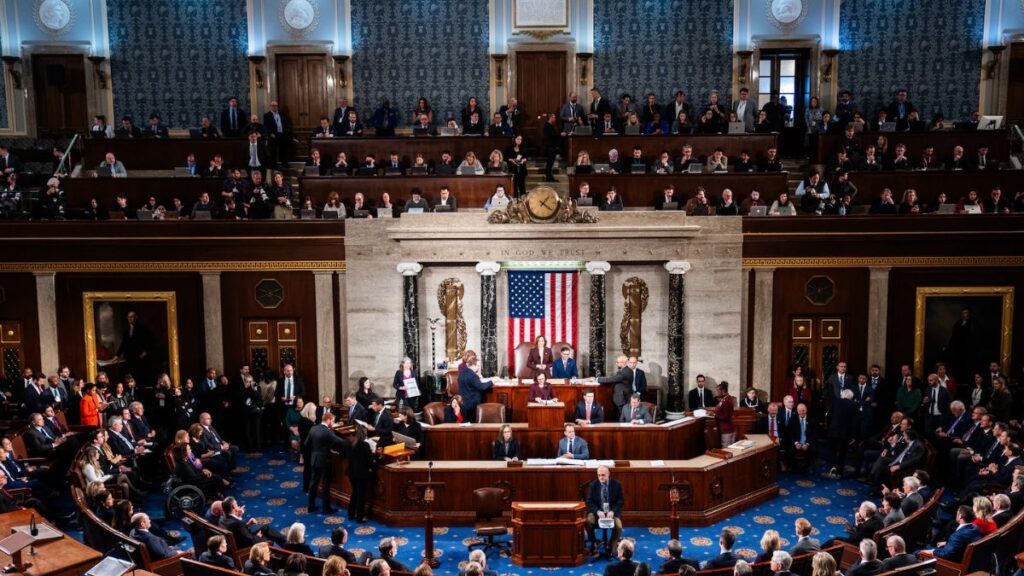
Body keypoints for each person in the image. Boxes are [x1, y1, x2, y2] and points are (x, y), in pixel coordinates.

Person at [304, 411, 347, 513]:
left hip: (314, 459)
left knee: (313, 483)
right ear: (328, 420)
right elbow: (340, 441)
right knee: (325, 485)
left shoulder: (313, 428)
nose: (333, 423)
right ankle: (326, 508)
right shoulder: (327, 431)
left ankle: (311, 506)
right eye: (333, 421)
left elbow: (306, 444)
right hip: (324, 461)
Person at [347, 425, 376, 522]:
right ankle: (359, 517)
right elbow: (370, 461)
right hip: (361, 474)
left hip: (351, 472)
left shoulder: (350, 443)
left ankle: (351, 514)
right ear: (364, 434)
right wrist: (373, 453)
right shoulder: (365, 445)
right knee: (361, 495)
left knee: (355, 493)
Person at [457, 351, 493, 421]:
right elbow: (482, 387)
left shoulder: (462, 373)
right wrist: (492, 381)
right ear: (474, 365)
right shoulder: (472, 375)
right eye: (478, 366)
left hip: (464, 403)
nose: (479, 368)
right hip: (472, 405)